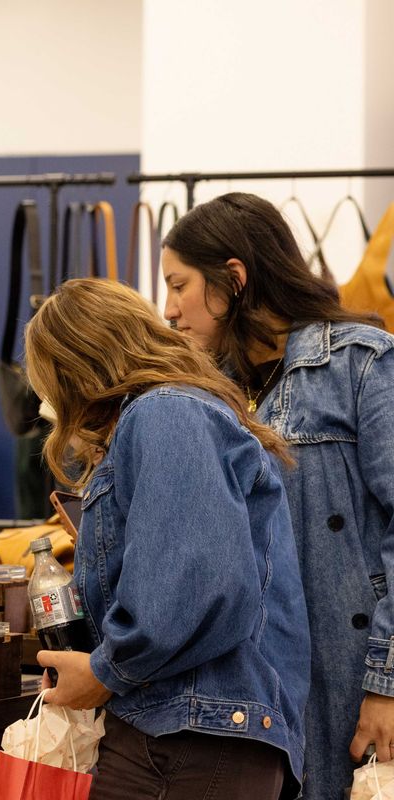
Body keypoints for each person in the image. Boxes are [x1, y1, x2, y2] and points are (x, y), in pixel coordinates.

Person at [25, 279, 311, 799]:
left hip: (187, 734)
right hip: (196, 728)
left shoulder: (164, 414)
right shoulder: (178, 411)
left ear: (75, 368)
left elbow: (193, 583)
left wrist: (104, 671)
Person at [161, 192, 394, 800]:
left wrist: (386, 684)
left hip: (351, 676)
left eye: (179, 285)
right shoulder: (211, 394)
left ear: (233, 279)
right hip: (254, 693)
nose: (169, 310)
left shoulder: (361, 365)